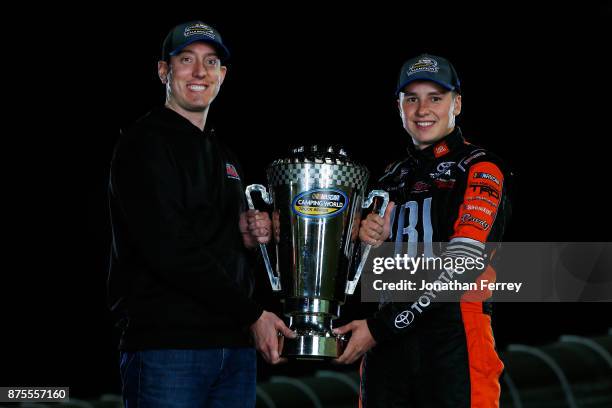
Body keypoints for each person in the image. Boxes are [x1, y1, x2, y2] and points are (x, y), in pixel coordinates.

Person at [108, 21, 294, 408]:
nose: (199, 72)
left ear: (222, 75)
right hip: (170, 349)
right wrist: (253, 314)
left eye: (210, 62)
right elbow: (169, 250)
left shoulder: (224, 154)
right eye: (186, 60)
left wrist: (246, 234)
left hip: (234, 349)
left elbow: (213, 238)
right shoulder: (144, 143)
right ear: (163, 70)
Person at [334, 54, 511, 407]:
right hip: (388, 346)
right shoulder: (390, 177)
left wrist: (379, 326)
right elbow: (362, 274)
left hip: (455, 336)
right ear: (398, 106)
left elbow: (461, 265)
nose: (422, 109)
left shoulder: (479, 168)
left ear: (456, 104)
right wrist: (360, 238)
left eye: (435, 97)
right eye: (411, 98)